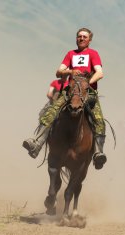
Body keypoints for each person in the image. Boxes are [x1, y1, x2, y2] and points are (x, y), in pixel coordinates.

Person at [22, 27, 107, 169]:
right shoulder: (70, 54)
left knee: (98, 119)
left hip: (88, 92)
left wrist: (86, 83)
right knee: (51, 110)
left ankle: (98, 152)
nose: (81, 38)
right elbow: (58, 72)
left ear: (89, 40)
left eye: (84, 37)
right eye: (79, 36)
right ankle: (37, 143)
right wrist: (70, 71)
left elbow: (100, 73)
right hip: (69, 91)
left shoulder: (93, 54)